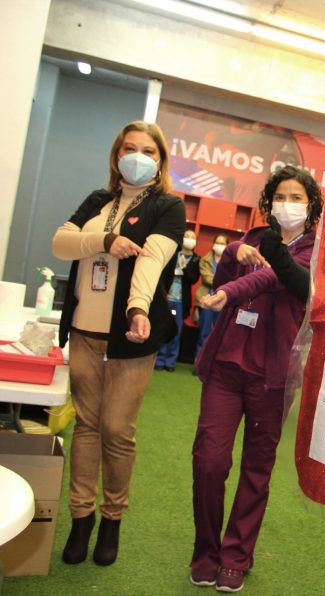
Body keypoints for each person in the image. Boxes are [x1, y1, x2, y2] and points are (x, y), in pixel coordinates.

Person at [52, 120, 185, 566]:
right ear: (116, 154)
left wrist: (138, 308)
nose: (138, 156)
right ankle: (81, 518)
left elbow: (152, 260)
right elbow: (61, 244)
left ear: (160, 160)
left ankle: (112, 520)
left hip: (131, 335)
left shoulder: (168, 206)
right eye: (130, 148)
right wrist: (104, 239)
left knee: (115, 430)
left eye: (148, 150)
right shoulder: (97, 200)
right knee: (86, 427)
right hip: (85, 332)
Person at [189, 165, 321, 592]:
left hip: (274, 376)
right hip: (227, 368)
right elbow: (222, 283)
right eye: (281, 196)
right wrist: (231, 256)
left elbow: (277, 278)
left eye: (297, 197)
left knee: (256, 470)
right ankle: (206, 552)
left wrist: (232, 289)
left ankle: (235, 556)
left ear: (311, 206)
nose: (288, 204)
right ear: (268, 202)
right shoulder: (248, 240)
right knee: (209, 461)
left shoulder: (317, 251)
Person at [155, 228, 199, 371]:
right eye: (187, 236)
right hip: (167, 298)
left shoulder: (196, 259)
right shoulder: (173, 255)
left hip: (181, 301)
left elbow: (193, 279)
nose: (189, 239)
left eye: (192, 237)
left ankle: (170, 362)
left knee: (177, 331)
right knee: (163, 329)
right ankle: (159, 359)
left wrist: (185, 270)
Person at [194, 233, 227, 361]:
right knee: (204, 333)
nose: (219, 245)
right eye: (217, 243)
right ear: (213, 244)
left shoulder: (230, 261)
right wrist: (223, 281)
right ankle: (198, 361)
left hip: (222, 302)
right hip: (206, 300)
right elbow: (207, 278)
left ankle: (210, 363)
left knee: (218, 334)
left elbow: (233, 279)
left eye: (222, 243)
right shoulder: (205, 260)